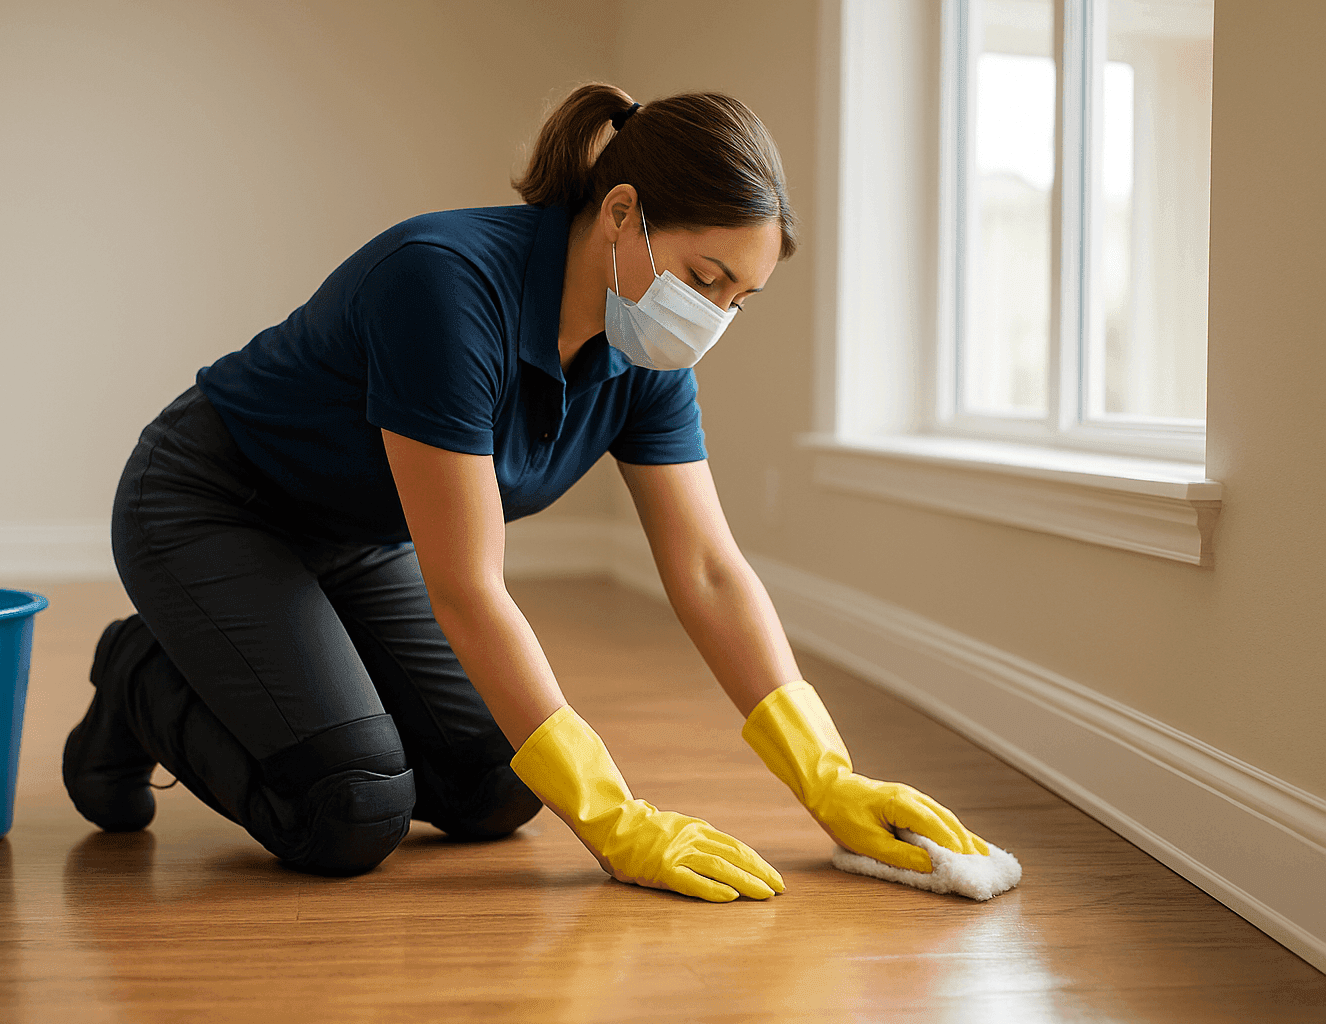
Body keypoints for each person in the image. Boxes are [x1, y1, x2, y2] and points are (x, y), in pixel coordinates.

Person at [63, 82, 990, 901]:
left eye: (736, 301)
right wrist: (615, 819)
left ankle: (274, 656)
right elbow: (468, 586)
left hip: (355, 540)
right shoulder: (446, 284)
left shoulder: (644, 353)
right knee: (350, 810)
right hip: (212, 505)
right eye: (706, 279)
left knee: (498, 785)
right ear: (623, 213)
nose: (710, 320)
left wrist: (828, 779)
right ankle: (142, 676)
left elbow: (708, 568)